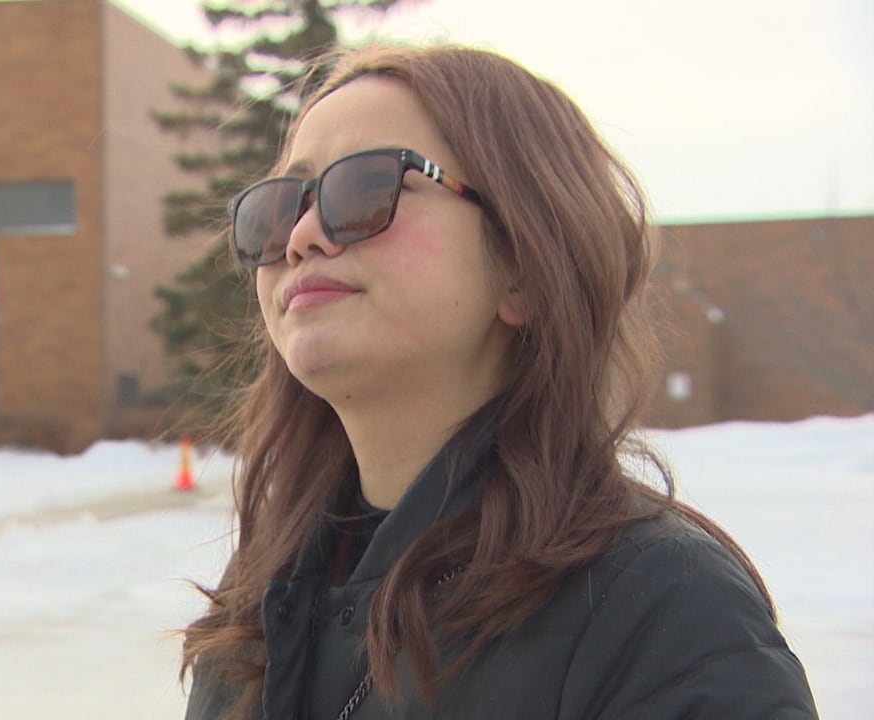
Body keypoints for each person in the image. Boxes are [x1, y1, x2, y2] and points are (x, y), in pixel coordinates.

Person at [180, 43, 818, 720]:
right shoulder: (262, 602)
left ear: (524, 265)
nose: (303, 235)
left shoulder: (661, 612)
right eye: (280, 209)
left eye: (366, 188)